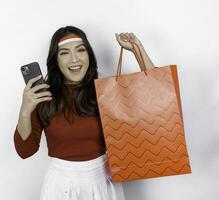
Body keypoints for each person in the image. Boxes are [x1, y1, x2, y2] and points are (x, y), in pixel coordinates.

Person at [14, 26, 155, 200]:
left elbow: (155, 99)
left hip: (103, 183)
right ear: (55, 60)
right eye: (64, 53)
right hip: (60, 186)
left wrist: (138, 50)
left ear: (89, 55)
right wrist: (25, 110)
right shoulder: (43, 96)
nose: (74, 59)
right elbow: (25, 151)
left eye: (80, 50)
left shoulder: (106, 91)